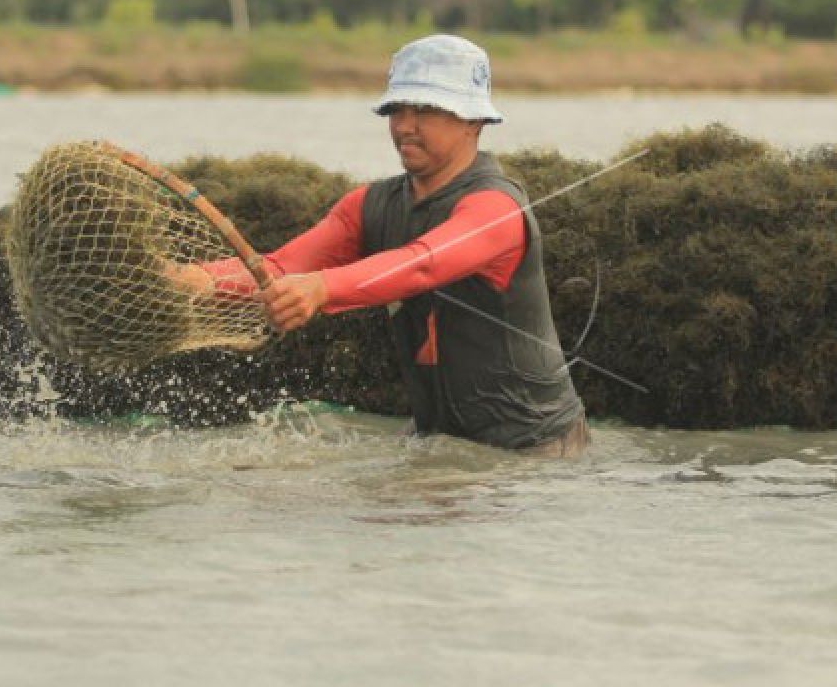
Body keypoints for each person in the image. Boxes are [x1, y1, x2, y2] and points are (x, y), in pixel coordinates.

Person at [200, 35, 588, 455]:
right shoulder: (370, 204)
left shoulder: (494, 208)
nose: (405, 126)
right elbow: (277, 269)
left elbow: (420, 266)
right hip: (437, 439)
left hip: (534, 450)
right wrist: (178, 282)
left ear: (473, 121)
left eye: (425, 110)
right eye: (396, 110)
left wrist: (321, 289)